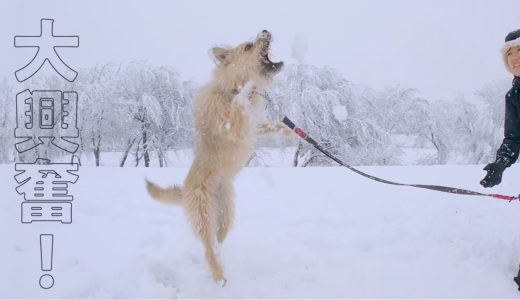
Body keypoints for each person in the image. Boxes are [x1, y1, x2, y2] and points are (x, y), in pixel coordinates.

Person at [480, 29, 520, 188]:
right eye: (509, 53)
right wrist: (500, 164)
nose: (514, 57)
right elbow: (513, 138)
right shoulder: (513, 97)